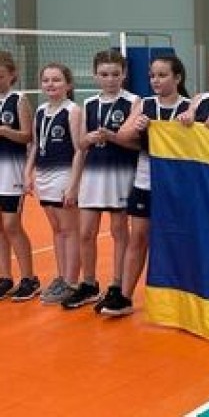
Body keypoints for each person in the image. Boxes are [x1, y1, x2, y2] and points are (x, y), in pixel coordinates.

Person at [101, 56, 191, 316]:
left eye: (162, 75)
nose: (156, 80)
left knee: (177, 239)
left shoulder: (190, 107)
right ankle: (125, 297)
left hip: (178, 185)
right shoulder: (145, 104)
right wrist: (138, 126)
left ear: (177, 78)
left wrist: (188, 125)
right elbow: (123, 136)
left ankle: (181, 300)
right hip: (145, 180)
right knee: (138, 237)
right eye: (152, 75)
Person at [62, 50, 139, 310]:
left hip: (120, 174)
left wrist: (114, 137)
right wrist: (90, 139)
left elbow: (138, 144)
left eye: (115, 74)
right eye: (104, 74)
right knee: (85, 233)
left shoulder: (133, 101)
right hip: (93, 176)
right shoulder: (90, 103)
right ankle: (89, 284)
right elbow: (80, 144)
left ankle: (117, 284)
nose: (110, 79)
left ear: (124, 74)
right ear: (95, 76)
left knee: (119, 232)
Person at [24, 63, 83, 305]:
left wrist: (73, 184)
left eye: (56, 80)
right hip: (44, 176)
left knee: (70, 231)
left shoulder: (73, 111)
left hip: (64, 175)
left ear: (68, 84)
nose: (50, 84)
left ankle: (71, 281)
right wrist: (28, 172)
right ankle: (61, 277)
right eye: (46, 80)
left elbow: (80, 150)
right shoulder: (40, 111)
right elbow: (37, 145)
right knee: (57, 230)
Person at [0, 51, 39, 301]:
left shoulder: (19, 100)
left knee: (11, 225)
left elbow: (28, 136)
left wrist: (4, 130)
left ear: (12, 75)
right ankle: (5, 277)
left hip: (11, 170)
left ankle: (29, 278)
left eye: (0, 75)